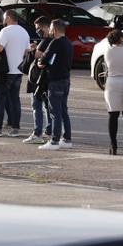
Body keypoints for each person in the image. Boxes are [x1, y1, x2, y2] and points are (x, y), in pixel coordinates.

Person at [0, 9, 30, 138]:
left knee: (0, 99)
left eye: (4, 17)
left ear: (9, 17)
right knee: (15, 99)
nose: (3, 20)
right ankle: (15, 128)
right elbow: (27, 51)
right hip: (18, 70)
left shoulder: (5, 31)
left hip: (5, 70)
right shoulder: (24, 31)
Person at [38, 20, 74, 150]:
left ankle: (54, 140)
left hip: (55, 80)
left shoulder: (55, 42)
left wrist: (40, 63)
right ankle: (67, 139)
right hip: (66, 79)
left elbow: (44, 58)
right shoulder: (68, 43)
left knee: (55, 112)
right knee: (63, 110)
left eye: (52, 28)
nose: (50, 31)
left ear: (55, 30)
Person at [24, 17, 53, 144]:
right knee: (48, 106)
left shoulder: (46, 41)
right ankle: (49, 130)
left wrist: (34, 50)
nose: (37, 31)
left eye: (38, 28)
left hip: (41, 79)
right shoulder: (54, 41)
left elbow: (37, 55)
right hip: (50, 78)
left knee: (37, 105)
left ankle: (37, 133)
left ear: (46, 27)